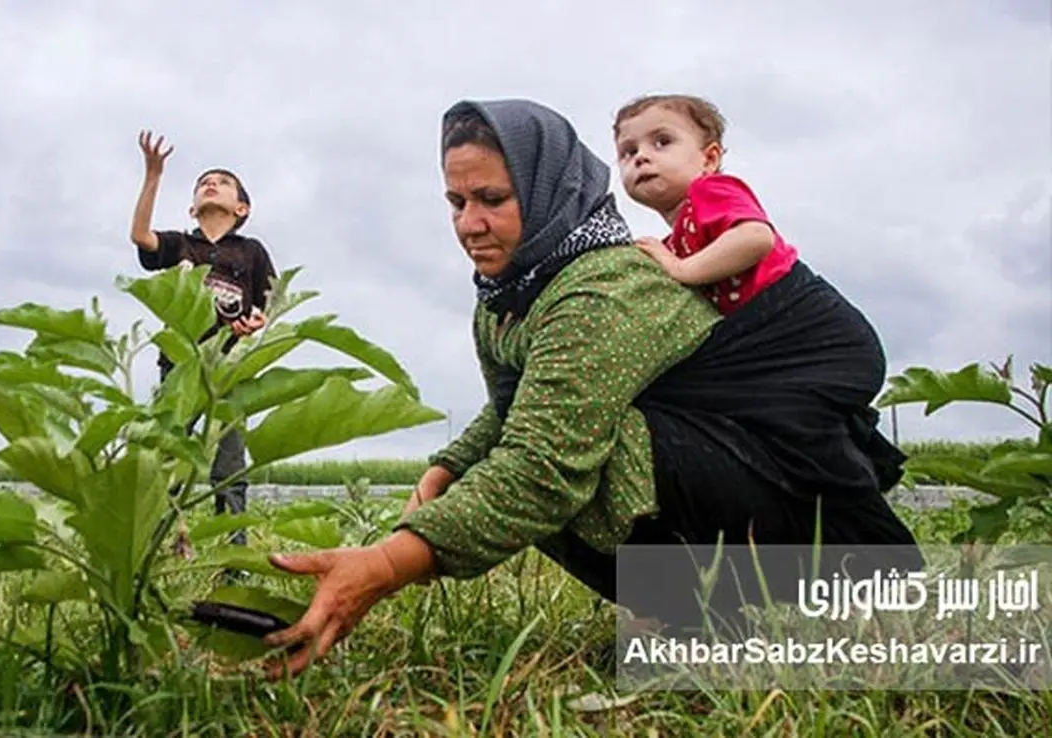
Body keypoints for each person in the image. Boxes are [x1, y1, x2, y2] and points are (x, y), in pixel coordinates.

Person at [256, 99, 921, 680]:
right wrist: (447, 466)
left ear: (547, 190)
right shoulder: (506, 296)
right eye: (457, 203)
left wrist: (387, 564)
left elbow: (543, 463)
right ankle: (702, 622)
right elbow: (515, 403)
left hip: (767, 473)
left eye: (492, 199)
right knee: (508, 463)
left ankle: (758, 606)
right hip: (715, 458)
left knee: (574, 462)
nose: (469, 224)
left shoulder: (601, 287)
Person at [129, 130, 278, 550]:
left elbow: (270, 301)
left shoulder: (250, 251)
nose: (212, 183)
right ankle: (154, 548)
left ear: (241, 207)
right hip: (179, 368)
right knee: (164, 459)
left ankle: (234, 555)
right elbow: (141, 237)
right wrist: (153, 174)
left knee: (228, 467)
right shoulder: (180, 245)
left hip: (227, 373)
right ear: (192, 207)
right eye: (203, 182)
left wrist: (256, 321)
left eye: (223, 182)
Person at [612, 94, 795, 316]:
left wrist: (680, 269)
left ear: (709, 159)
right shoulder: (673, 246)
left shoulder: (709, 190)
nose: (641, 157)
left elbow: (756, 237)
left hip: (798, 308)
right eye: (629, 152)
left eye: (662, 142)